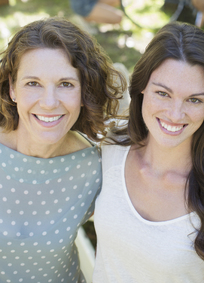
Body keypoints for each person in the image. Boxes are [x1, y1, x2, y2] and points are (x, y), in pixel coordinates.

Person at [93, 22, 204, 283]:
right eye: (163, 93)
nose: (175, 114)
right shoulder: (110, 145)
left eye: (194, 99)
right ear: (142, 86)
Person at [0, 16, 124, 283]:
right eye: (33, 83)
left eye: (66, 84)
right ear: (12, 88)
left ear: (84, 92)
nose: (49, 102)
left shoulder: (95, 168)